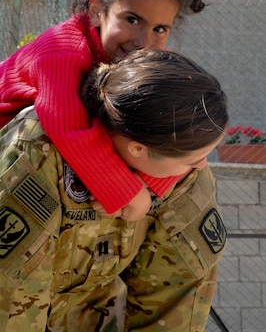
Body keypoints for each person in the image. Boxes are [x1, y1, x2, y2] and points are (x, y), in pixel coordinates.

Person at [0, 48, 228, 331]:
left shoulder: (183, 166)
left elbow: (177, 292)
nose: (201, 165)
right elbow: (11, 294)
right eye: (192, 160)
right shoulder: (38, 153)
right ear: (138, 149)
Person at [0, 0, 206, 221]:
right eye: (132, 20)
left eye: (160, 29)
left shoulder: (145, 59)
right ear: (97, 10)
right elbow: (69, 127)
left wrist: (155, 182)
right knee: (44, 123)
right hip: (8, 145)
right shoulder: (61, 50)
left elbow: (182, 120)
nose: (143, 40)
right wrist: (127, 191)